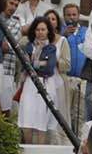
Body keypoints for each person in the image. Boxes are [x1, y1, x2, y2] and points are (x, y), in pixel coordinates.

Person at [16, 14, 65, 144]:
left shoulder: (51, 48)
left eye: (43, 29)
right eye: (37, 29)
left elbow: (49, 68)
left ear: (48, 31)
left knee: (41, 120)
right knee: (27, 117)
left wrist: (34, 63)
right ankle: (28, 146)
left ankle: (39, 149)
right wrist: (39, 63)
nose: (40, 32)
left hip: (45, 84)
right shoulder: (29, 46)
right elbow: (25, 66)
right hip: (30, 84)